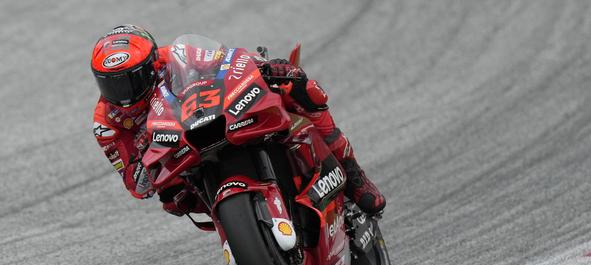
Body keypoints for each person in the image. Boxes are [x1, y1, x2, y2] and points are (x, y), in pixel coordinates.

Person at [90, 25, 386, 215]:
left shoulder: (175, 56)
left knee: (299, 86)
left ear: (152, 64)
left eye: (131, 80)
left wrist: (265, 68)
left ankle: (353, 173)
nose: (124, 94)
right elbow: (137, 186)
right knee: (173, 199)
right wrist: (144, 148)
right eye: (111, 84)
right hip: (179, 153)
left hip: (217, 115)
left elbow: (228, 60)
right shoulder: (107, 123)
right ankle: (240, 225)